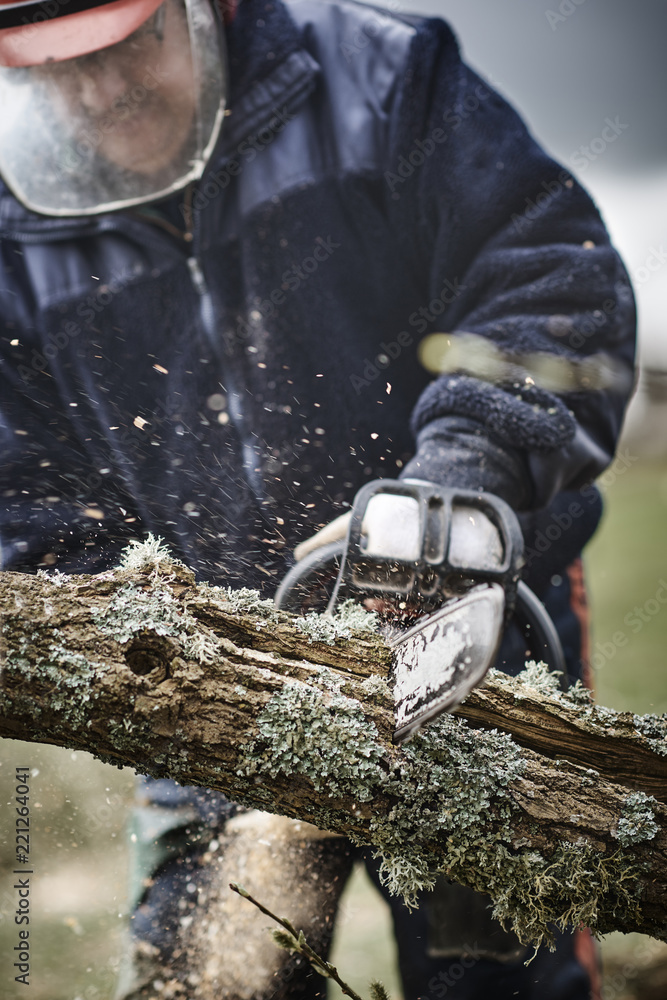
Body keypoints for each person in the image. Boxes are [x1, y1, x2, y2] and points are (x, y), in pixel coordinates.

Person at [0, 0, 636, 997]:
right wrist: (156, 638)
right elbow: (26, 491)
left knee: (499, 975)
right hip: (209, 692)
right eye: (52, 68)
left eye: (130, 45)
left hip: (464, 659)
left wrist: (453, 491)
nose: (97, 86)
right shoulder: (13, 225)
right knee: (204, 976)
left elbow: (549, 283)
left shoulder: (384, 77)